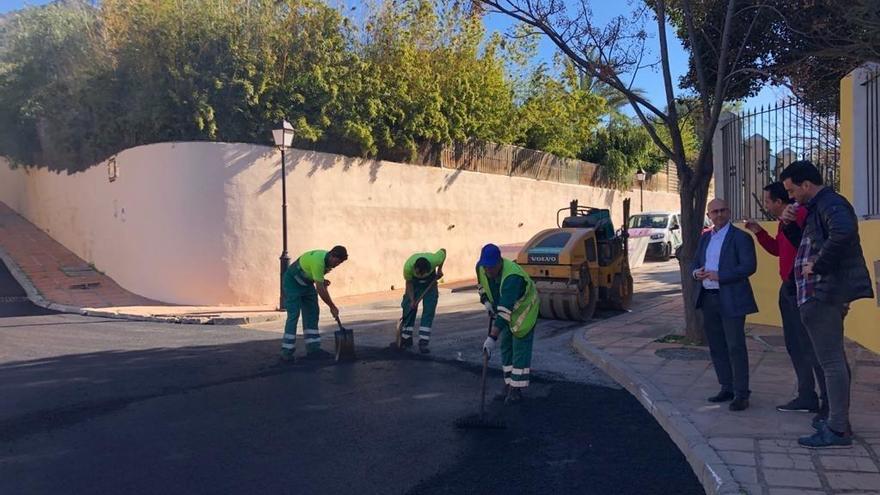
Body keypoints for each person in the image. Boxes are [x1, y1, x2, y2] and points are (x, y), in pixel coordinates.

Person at [780, 161, 874, 449]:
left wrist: (818, 266)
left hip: (823, 295)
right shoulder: (818, 207)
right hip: (819, 294)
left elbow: (843, 234)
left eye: (792, 190)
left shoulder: (830, 203)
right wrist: (787, 223)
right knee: (833, 361)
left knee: (831, 363)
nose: (791, 196)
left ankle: (836, 429)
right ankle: (837, 420)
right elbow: (809, 243)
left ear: (806, 184)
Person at [745, 182, 826, 414]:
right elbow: (779, 250)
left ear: (779, 202)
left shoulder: (799, 215)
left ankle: (826, 401)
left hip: (800, 288)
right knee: (795, 344)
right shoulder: (784, 223)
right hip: (788, 288)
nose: (766, 205)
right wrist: (759, 232)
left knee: (810, 346)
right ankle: (807, 395)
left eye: (768, 201)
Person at [692, 198, 758, 411]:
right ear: (709, 215)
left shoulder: (741, 237)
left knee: (735, 346)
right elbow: (695, 262)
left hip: (731, 297)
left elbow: (749, 266)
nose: (718, 215)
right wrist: (696, 272)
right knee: (717, 346)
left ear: (728, 212)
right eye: (714, 212)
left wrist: (722, 276)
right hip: (708, 297)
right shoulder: (705, 238)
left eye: (722, 210)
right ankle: (726, 387)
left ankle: (741, 393)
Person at [476, 243, 539, 404]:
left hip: (524, 308)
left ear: (499, 263)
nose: (487, 271)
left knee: (519, 345)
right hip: (505, 306)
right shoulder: (481, 268)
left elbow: (504, 312)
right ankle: (508, 383)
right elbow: (481, 286)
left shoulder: (512, 277)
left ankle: (516, 388)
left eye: (491, 267)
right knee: (506, 345)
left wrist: (491, 338)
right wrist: (486, 302)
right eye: (485, 267)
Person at [280, 246, 349, 362]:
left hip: (306, 284)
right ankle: (286, 352)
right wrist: (332, 306)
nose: (336, 265)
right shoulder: (319, 261)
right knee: (294, 315)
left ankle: (313, 349)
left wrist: (320, 281)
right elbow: (320, 289)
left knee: (312, 314)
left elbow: (316, 279)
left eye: (339, 264)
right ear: (332, 255)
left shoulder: (327, 261)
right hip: (292, 282)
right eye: (336, 262)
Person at [400, 249, 446, 354]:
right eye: (418, 273)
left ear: (429, 269)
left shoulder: (434, 259)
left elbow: (443, 251)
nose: (420, 275)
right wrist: (412, 300)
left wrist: (440, 269)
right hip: (414, 285)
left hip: (430, 284)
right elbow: (409, 284)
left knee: (429, 310)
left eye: (423, 274)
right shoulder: (408, 267)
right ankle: (406, 338)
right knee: (408, 307)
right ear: (414, 269)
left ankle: (423, 342)